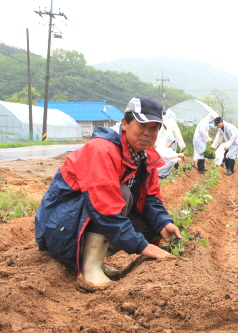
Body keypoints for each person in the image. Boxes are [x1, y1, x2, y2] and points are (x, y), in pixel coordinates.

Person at [35, 96, 182, 287]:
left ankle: (96, 261)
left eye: (154, 128)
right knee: (121, 194)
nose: (148, 133)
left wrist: (163, 223)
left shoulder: (145, 157)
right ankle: (89, 269)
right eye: (142, 125)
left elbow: (150, 198)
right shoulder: (102, 150)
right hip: (61, 227)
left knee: (151, 227)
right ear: (124, 123)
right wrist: (139, 245)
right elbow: (104, 206)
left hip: (84, 218)